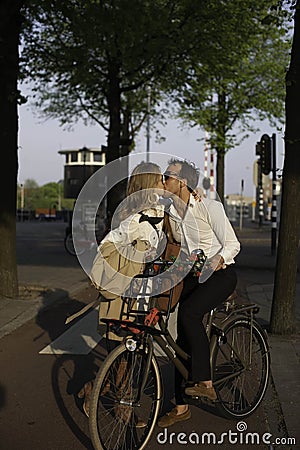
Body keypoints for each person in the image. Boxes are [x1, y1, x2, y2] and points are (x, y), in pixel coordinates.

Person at [157, 158, 240, 427]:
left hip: (221, 274)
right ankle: (181, 408)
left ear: (182, 182)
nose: (163, 180)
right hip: (193, 274)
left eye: (168, 176)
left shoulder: (208, 207)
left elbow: (233, 244)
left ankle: (205, 382)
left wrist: (218, 259)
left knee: (191, 314)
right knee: (181, 336)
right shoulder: (170, 211)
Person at [80, 161, 165, 418]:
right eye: (160, 180)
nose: (164, 185)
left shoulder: (158, 212)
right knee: (124, 350)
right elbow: (108, 245)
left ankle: (97, 389)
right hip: (124, 294)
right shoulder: (134, 218)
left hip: (142, 293)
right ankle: (121, 407)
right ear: (149, 184)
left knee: (131, 350)